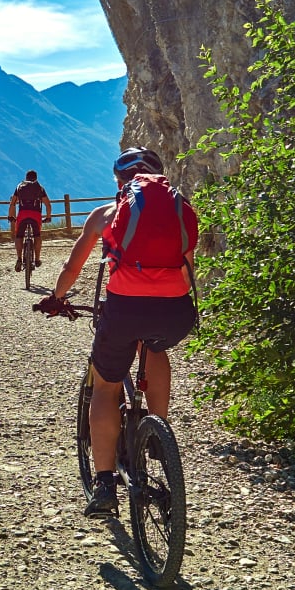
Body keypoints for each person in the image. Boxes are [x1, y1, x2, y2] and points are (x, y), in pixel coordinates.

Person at [36, 147, 199, 515]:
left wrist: (56, 298)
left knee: (106, 387)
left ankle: (105, 484)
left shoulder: (106, 214)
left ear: (119, 181)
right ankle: (159, 432)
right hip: (175, 311)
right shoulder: (181, 211)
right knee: (154, 349)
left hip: (124, 308)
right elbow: (189, 269)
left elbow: (72, 266)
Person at [7, 170, 52, 270]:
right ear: (36, 178)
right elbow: (48, 204)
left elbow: (12, 203)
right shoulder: (39, 188)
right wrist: (48, 217)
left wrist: (10, 216)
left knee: (19, 236)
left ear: (26, 177)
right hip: (35, 215)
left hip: (23, 214)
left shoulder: (19, 186)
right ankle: (37, 259)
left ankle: (19, 258)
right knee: (37, 236)